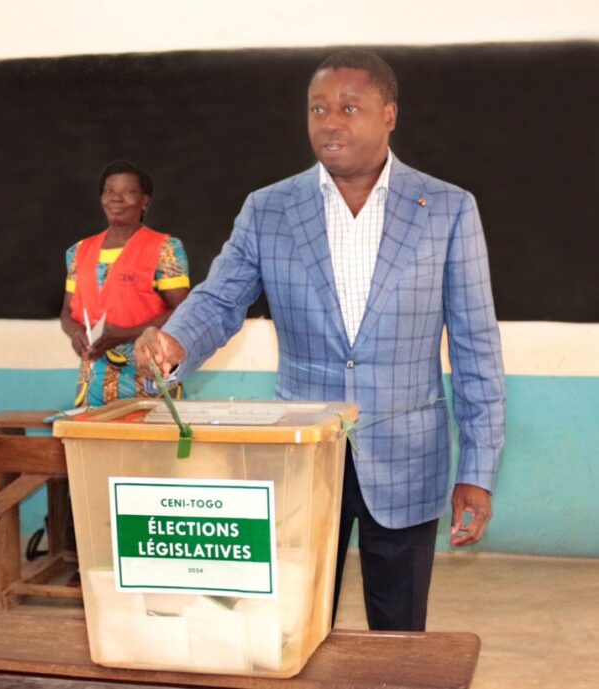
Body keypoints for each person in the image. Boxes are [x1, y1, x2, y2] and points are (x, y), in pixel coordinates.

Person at [134, 50, 506, 631]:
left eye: (349, 107)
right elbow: (219, 298)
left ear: (388, 114)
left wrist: (478, 470)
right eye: (318, 108)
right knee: (296, 628)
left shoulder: (449, 210)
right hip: (302, 455)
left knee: (399, 637)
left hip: (408, 459)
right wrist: (175, 342)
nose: (330, 121)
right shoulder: (270, 208)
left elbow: (476, 347)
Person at [61, 160, 190, 406]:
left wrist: (124, 335)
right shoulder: (78, 251)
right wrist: (75, 332)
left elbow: (183, 310)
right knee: (91, 442)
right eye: (109, 191)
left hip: (148, 376)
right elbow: (67, 311)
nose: (116, 199)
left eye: (128, 192)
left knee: (148, 443)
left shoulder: (165, 249)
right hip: (94, 381)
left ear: (145, 201)